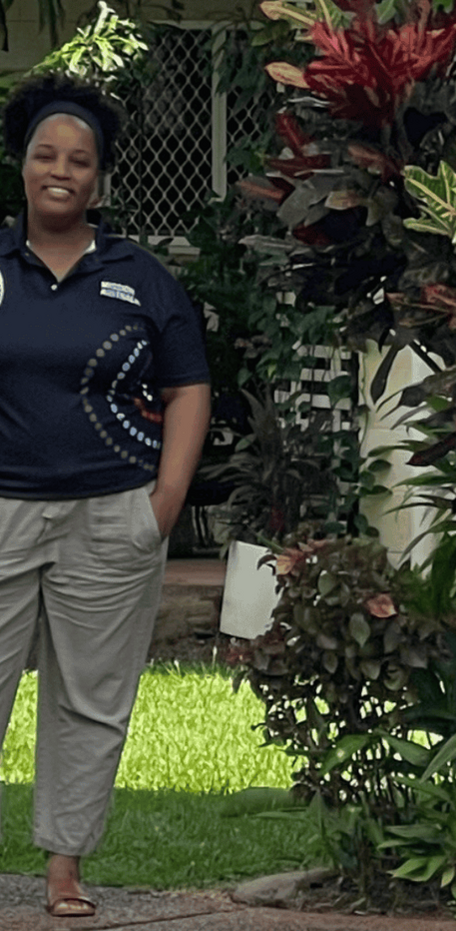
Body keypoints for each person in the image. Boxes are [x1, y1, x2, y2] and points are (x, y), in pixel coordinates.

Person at [0, 73, 211, 917]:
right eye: (46, 154)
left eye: (79, 159)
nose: (61, 170)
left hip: (111, 517)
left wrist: (162, 504)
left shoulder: (140, 276)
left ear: (99, 176)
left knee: (90, 700)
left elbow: (188, 385)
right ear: (21, 165)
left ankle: (63, 870)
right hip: (4, 511)